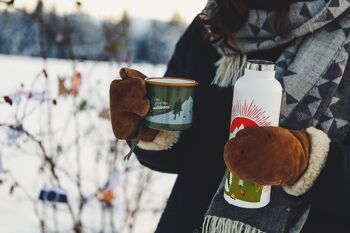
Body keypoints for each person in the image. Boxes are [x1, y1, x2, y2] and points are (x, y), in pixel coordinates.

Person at [109, 0, 350, 232]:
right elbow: (186, 157)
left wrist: (303, 162)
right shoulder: (212, 25)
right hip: (190, 222)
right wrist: (149, 127)